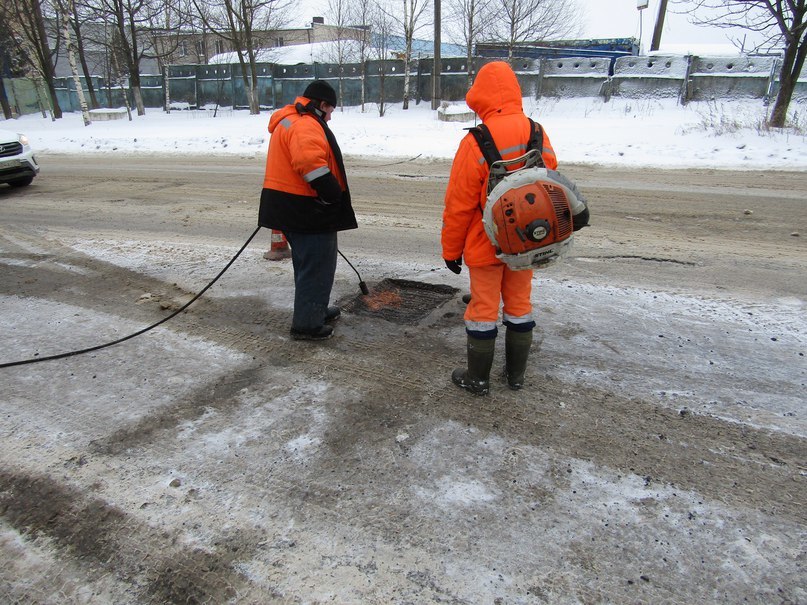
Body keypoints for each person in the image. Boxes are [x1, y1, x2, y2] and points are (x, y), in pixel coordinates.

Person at [441, 61, 561, 395]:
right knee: (520, 304)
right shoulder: (537, 131)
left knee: (483, 308)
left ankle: (478, 379)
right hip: (527, 242)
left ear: (480, 96)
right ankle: (515, 376)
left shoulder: (476, 141)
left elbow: (459, 205)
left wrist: (451, 251)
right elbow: (550, 181)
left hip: (486, 242)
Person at [258, 80, 358, 340]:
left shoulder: (290, 120)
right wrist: (332, 194)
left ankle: (315, 310)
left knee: (308, 265)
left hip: (290, 208)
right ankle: (307, 325)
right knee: (317, 266)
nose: (331, 116)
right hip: (306, 210)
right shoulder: (305, 124)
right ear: (322, 104)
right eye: (331, 110)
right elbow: (309, 163)